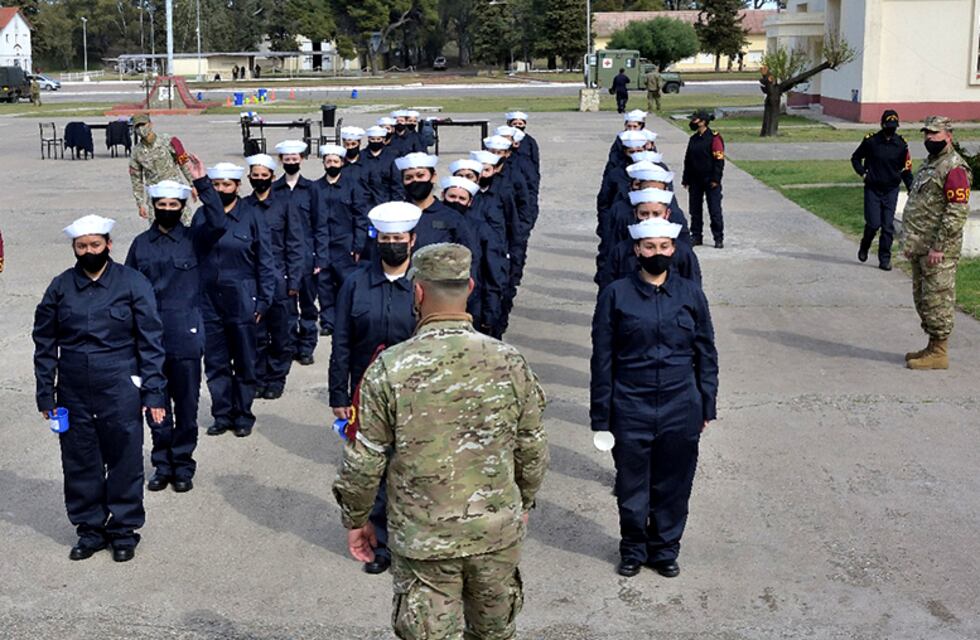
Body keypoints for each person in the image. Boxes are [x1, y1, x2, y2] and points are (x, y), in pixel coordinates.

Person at [332, 243, 548, 640]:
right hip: (494, 534)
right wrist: (524, 502)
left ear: (417, 291)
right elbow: (531, 447)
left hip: (423, 541)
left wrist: (357, 520)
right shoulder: (509, 361)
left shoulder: (389, 368)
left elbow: (365, 460)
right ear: (469, 286)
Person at [33, 215, 168, 562]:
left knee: (124, 458)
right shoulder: (60, 287)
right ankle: (90, 529)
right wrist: (46, 393)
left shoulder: (132, 283)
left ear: (109, 245)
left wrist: (153, 392)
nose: (89, 251)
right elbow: (45, 342)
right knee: (80, 460)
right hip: (74, 388)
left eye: (95, 245)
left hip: (119, 384)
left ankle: (123, 529)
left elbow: (151, 342)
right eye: (82, 246)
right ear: (74, 249)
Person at [590, 216, 718, 579]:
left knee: (674, 483)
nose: (657, 253)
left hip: (681, 403)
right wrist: (601, 416)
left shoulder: (691, 294)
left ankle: (664, 549)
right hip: (631, 403)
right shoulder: (616, 294)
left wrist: (707, 402)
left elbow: (706, 351)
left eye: (663, 247)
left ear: (673, 250)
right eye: (650, 247)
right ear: (637, 250)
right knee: (632, 485)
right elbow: (602, 358)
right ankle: (633, 548)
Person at [329, 201, 422, 575]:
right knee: (374, 469)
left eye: (398, 238)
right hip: (367, 396)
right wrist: (339, 394)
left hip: (414, 395)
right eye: (385, 239)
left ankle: (414, 544)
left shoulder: (423, 286)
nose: (392, 245)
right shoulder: (355, 283)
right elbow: (341, 342)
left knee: (413, 468)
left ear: (412, 240)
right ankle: (381, 543)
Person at [124, 158, 227, 492]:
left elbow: (219, 221)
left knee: (185, 404)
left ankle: (183, 464)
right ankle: (162, 462)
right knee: (155, 403)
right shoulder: (141, 245)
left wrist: (202, 183)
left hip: (185, 335)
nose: (167, 208)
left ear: (182, 206)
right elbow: (127, 291)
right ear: (153, 206)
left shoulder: (195, 239)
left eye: (173, 204)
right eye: (162, 204)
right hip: (150, 340)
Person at [199, 162, 276, 438]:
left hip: (243, 297)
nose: (221, 190)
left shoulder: (252, 216)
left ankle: (243, 413)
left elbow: (266, 261)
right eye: (216, 185)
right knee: (216, 361)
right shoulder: (202, 216)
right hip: (209, 300)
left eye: (226, 185)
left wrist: (263, 301)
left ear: (237, 186)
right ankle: (222, 414)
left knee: (245, 360)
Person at [901, 115, 973, 370]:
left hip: (938, 251)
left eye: (935, 134)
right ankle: (932, 346)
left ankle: (940, 353)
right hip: (921, 246)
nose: (929, 139)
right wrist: (912, 243)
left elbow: (956, 211)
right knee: (923, 300)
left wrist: (938, 247)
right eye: (927, 134)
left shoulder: (954, 167)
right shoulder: (932, 163)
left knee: (937, 301)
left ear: (948, 136)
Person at [245, 154, 305, 399]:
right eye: (255, 176)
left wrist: (295, 280)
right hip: (253, 281)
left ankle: (276, 378)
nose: (259, 180)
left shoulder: (285, 204)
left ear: (272, 176)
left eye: (264, 176)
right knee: (256, 333)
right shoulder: (244, 206)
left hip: (280, 278)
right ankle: (258, 378)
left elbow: (295, 243)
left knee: (281, 334)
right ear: (249, 177)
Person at [312, 144, 371, 336]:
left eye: (335, 161)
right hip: (322, 244)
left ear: (342, 163)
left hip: (345, 245)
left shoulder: (352, 186)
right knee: (324, 285)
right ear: (323, 164)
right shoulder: (316, 188)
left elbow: (360, 217)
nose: (332, 164)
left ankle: (346, 320)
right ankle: (328, 321)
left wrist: (358, 245)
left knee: (347, 285)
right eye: (328, 161)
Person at [441, 176, 508, 337]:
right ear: (443, 196)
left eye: (461, 198)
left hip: (472, 306)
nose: (456, 201)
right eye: (452, 196)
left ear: (470, 202)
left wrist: (490, 313)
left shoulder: (481, 229)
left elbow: (493, 274)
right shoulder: (433, 224)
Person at [272, 140, 319, 366]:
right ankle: (289, 344)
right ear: (281, 161)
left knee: (308, 306)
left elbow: (321, 225)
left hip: (308, 257)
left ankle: (307, 347)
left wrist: (320, 257)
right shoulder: (274, 190)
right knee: (288, 306)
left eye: (295, 159)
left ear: (301, 159)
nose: (291, 162)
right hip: (283, 258)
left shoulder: (312, 189)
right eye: (287, 159)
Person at [599, 188, 701, 289]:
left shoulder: (683, 252)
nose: (650, 218)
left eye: (656, 214)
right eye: (644, 214)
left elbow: (693, 289)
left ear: (667, 214)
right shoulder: (621, 251)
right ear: (635, 214)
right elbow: (608, 288)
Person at [850, 109, 914, 271]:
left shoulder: (901, 145)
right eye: (888, 125)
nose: (891, 129)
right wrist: (863, 174)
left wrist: (911, 189)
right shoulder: (871, 141)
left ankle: (884, 259)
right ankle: (865, 245)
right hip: (872, 188)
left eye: (894, 126)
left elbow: (906, 170)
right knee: (873, 224)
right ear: (882, 124)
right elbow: (856, 158)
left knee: (887, 227)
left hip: (891, 189)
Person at [129, 113, 195, 225]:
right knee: (157, 231)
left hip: (175, 192)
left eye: (143, 124)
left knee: (185, 227)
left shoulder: (168, 141)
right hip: (155, 196)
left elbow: (183, 162)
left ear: (150, 124)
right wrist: (140, 204)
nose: (141, 129)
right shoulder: (136, 152)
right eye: (137, 126)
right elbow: (136, 180)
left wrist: (193, 184)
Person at [682, 109, 725, 248]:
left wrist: (716, 179)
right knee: (695, 210)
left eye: (695, 119)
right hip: (695, 180)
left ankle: (718, 238)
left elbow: (719, 160)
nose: (692, 122)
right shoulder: (693, 139)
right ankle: (696, 236)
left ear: (703, 122)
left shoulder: (714, 138)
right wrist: (686, 179)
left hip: (710, 180)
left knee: (714, 210)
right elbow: (688, 160)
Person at [505, 111, 540, 177]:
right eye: (514, 124)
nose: (517, 126)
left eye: (520, 124)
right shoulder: (503, 140)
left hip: (527, 174)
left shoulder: (530, 141)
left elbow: (535, 160)